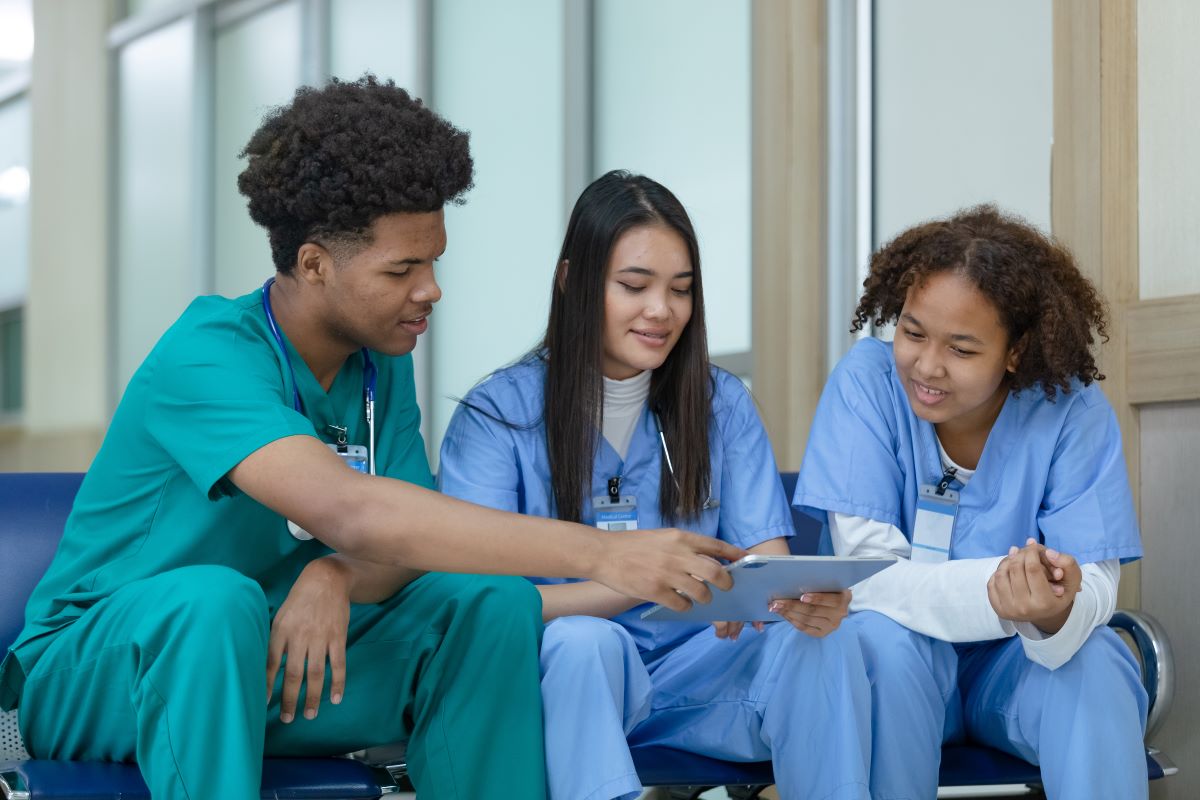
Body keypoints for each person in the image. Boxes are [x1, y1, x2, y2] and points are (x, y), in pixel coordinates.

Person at [0, 78, 745, 800]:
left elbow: (403, 545)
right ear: (315, 263)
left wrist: (335, 577)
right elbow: (352, 512)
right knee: (214, 602)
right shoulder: (205, 355)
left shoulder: (375, 367)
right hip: (103, 673)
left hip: (276, 664)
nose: (431, 289)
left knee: (483, 600)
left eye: (434, 262)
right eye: (403, 268)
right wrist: (608, 553)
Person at [439, 170, 873, 800]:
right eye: (634, 286)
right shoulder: (497, 418)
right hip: (560, 683)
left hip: (697, 673)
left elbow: (767, 572)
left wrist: (793, 600)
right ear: (570, 282)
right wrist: (635, 581)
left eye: (680, 290)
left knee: (826, 645)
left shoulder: (720, 405)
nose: (661, 311)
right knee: (584, 644)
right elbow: (485, 613)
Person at [794, 205, 1149, 799]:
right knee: (881, 643)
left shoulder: (1071, 412)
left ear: (1014, 352)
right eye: (911, 333)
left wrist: (1054, 609)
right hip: (896, 665)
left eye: (961, 349)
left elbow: (1094, 582)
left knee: (1100, 660)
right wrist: (1004, 593)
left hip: (1012, 671)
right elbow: (869, 575)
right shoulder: (865, 386)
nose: (927, 366)